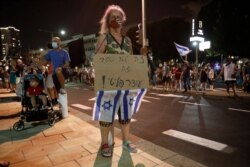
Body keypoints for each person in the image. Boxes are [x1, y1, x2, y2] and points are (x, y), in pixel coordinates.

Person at [94, 4, 140, 158]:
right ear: (108, 20)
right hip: (109, 84)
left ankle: (126, 141)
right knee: (106, 114)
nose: (116, 19)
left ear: (123, 20)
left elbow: (132, 61)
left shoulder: (127, 41)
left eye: (118, 17)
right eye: (112, 17)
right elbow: (98, 59)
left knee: (126, 115)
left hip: (126, 84)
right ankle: (105, 143)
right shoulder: (104, 38)